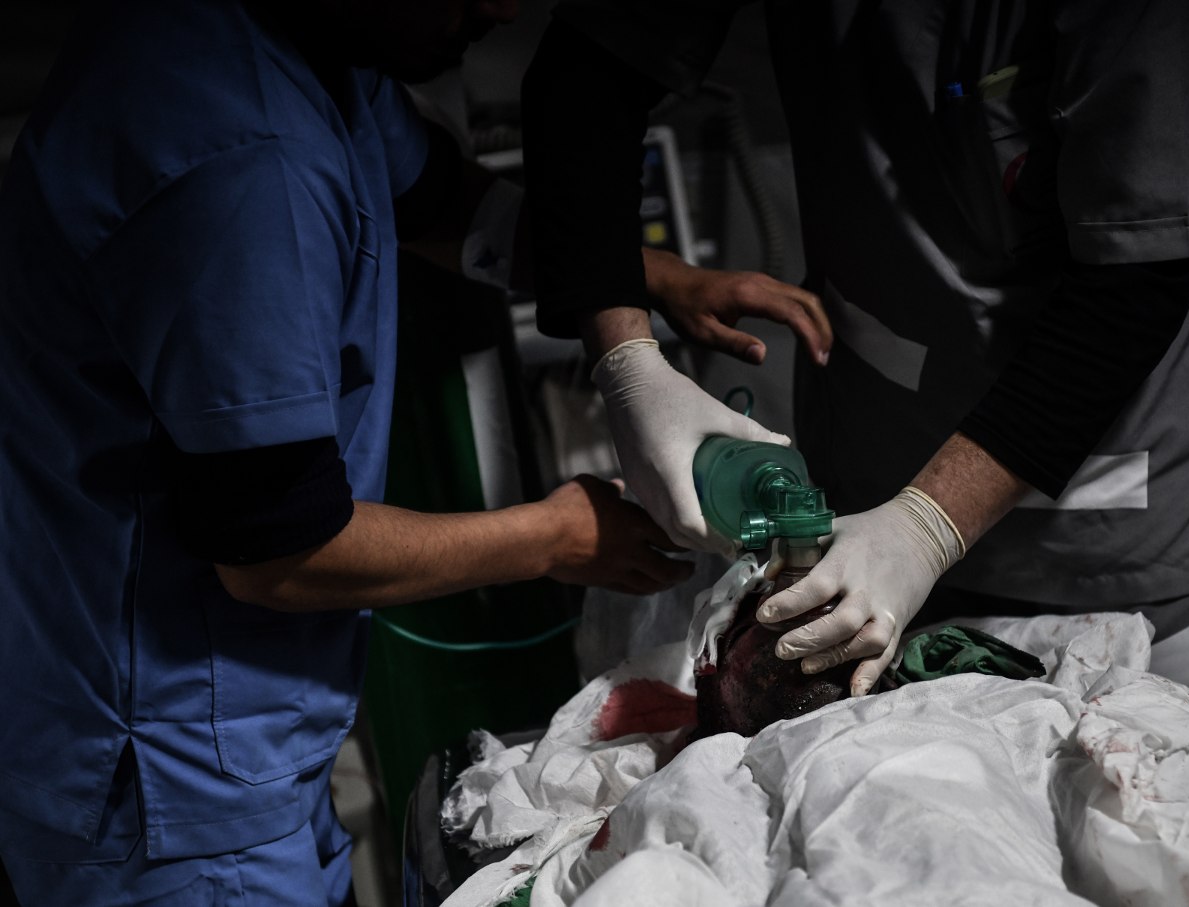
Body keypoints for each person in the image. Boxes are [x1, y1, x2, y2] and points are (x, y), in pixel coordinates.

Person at [0, 0, 827, 903]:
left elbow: (442, 199)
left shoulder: (312, 52)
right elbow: (274, 551)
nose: (508, 8)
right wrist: (554, 537)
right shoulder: (243, 165)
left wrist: (648, 284)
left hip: (226, 740)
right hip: (164, 782)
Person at [520, 0, 1189, 864]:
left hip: (1121, 529)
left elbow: (1137, 282)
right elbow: (587, 75)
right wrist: (626, 361)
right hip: (877, 512)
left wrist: (927, 525)